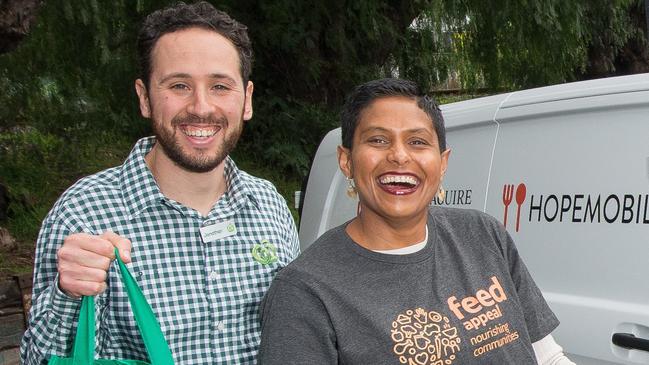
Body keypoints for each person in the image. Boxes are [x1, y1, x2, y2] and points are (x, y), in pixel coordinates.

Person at [20, 2, 300, 364]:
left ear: (246, 100)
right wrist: (67, 295)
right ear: (144, 97)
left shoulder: (270, 206)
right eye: (179, 85)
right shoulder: (83, 214)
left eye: (219, 86)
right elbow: (38, 360)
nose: (201, 107)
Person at [258, 78, 574, 364]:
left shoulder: (484, 235)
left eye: (418, 142)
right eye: (378, 140)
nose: (399, 156)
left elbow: (547, 357)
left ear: (443, 162)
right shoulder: (305, 290)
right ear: (346, 161)